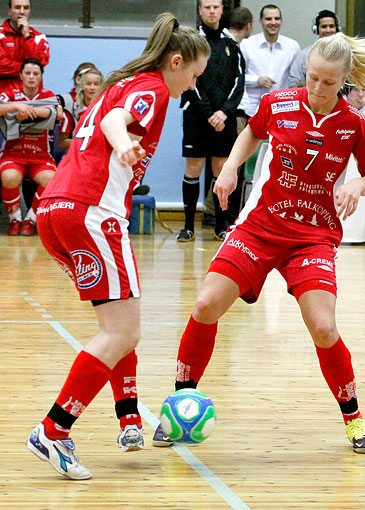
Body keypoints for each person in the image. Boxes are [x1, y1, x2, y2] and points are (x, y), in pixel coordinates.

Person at [151, 32, 365, 454]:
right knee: (206, 304)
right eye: (313, 79)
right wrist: (230, 167)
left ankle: (354, 417)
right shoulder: (278, 103)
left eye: (328, 83)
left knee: (323, 326)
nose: (317, 89)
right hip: (260, 227)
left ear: (345, 82)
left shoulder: (354, 124)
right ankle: (180, 402)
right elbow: (251, 134)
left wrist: (357, 184)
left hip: (313, 237)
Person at [26, 13, 209, 480]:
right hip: (91, 211)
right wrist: (123, 143)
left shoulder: (121, 82)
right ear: (175, 62)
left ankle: (127, 418)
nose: (191, 86)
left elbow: (107, 110)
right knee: (123, 329)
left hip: (55, 211)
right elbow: (113, 120)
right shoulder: (149, 87)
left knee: (119, 322)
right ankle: (54, 429)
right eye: (192, 75)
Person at [178, 0, 245, 242]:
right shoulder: (190, 42)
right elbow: (188, 80)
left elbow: (239, 81)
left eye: (216, 7)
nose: (212, 11)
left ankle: (221, 224)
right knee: (194, 168)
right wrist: (208, 113)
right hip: (197, 117)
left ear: (222, 9)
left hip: (223, 118)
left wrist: (224, 112)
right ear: (200, 10)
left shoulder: (231, 45)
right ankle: (187, 226)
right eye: (207, 7)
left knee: (221, 168)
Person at [0, 58, 59, 236]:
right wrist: (16, 105)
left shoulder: (48, 95)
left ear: (41, 76)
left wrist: (31, 111)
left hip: (40, 155)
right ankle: (15, 219)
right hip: (13, 153)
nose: (31, 77)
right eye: (27, 73)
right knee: (9, 177)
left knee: (51, 180)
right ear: (20, 75)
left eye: (36, 74)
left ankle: (30, 220)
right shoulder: (10, 93)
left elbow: (58, 113)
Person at [239, 4, 300, 118]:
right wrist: (257, 80)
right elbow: (237, 76)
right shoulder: (247, 44)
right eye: (268, 19)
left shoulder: (292, 46)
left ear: (281, 21)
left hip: (282, 109)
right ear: (260, 21)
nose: (273, 22)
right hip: (251, 110)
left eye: (276, 19)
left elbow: (296, 79)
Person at [0, 0, 49, 91]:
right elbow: (1, 66)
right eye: (17, 7)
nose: (22, 12)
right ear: (9, 11)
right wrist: (27, 70)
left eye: (26, 8)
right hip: (4, 97)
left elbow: (38, 65)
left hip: (32, 98)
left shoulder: (39, 37)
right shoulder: (1, 34)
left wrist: (27, 36)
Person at [288, 9, 338, 87]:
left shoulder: (346, 54)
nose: (328, 30)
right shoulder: (305, 55)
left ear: (337, 29)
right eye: (324, 27)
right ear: (316, 29)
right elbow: (293, 84)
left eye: (331, 26)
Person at [58, 65, 103, 150]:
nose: (92, 88)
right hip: (76, 156)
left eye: (96, 84)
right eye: (88, 84)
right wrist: (87, 144)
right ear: (81, 85)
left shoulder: (106, 108)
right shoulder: (72, 109)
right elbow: (62, 142)